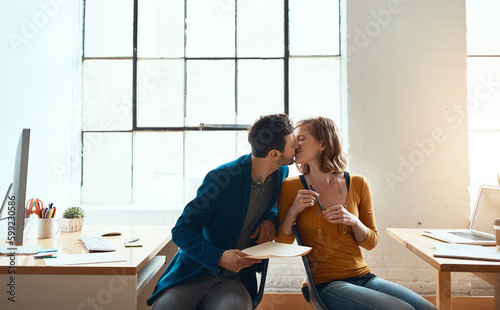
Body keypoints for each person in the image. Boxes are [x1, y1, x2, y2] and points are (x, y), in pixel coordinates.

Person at [275, 117, 437, 310]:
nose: (295, 144)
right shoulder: (291, 187)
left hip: (364, 277)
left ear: (323, 143)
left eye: (301, 138)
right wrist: (294, 210)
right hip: (324, 284)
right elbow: (282, 242)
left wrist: (353, 221)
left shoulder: (358, 183)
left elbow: (371, 242)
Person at [148, 114, 297, 310]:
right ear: (275, 154)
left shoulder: (280, 173)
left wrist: (270, 219)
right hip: (196, 272)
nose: (298, 147)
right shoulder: (222, 179)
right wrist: (219, 257)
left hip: (234, 281)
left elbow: (273, 205)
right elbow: (181, 230)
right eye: (294, 143)